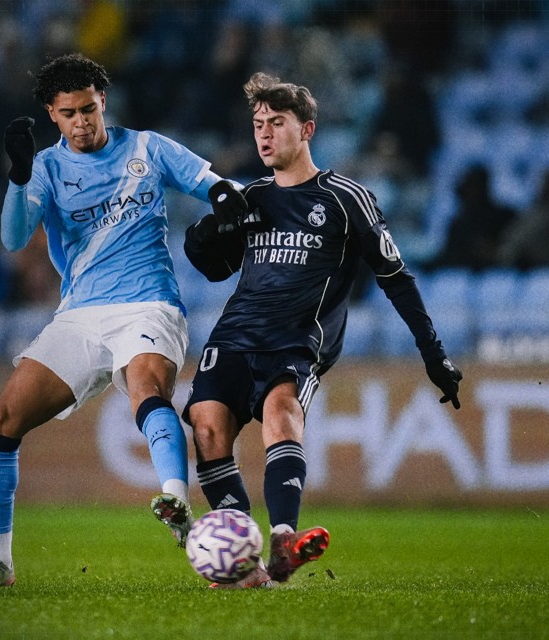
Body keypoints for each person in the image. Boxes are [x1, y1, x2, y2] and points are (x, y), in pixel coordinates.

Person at [0, 53, 231, 587]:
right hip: (80, 314)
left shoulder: (149, 148)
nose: (81, 122)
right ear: (51, 115)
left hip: (150, 303)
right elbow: (13, 241)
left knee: (145, 386)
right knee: (1, 421)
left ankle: (175, 502)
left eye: (88, 109)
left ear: (103, 100)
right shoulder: (48, 169)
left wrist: (239, 202)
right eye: (68, 113)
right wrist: (18, 176)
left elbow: (213, 185)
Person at [182, 73, 463, 588]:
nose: (264, 134)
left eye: (277, 123)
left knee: (282, 413)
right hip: (233, 335)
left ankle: (283, 541)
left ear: (306, 129)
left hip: (296, 339)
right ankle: (244, 562)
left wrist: (433, 354)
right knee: (206, 431)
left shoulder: (345, 196)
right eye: (258, 125)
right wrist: (208, 228)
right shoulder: (252, 197)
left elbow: (395, 277)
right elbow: (213, 266)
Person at [431, 164, 517, 271]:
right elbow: (451, 259)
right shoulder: (458, 225)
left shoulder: (504, 217)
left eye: (472, 188)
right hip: (462, 275)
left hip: (495, 274)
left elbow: (510, 254)